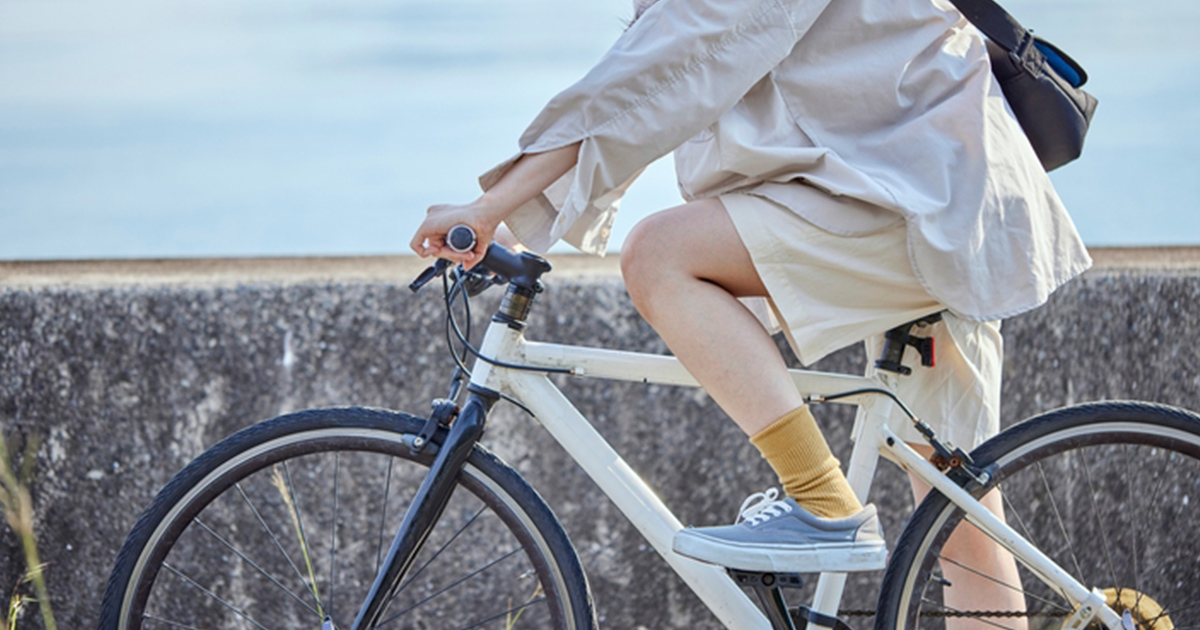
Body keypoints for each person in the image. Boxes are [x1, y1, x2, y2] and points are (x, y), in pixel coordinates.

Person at [411, 0, 1090, 622]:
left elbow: (666, 71)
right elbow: (663, 75)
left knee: (659, 255)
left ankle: (822, 502)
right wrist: (518, 223)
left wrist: (496, 206)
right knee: (961, 526)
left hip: (918, 196)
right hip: (938, 187)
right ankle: (824, 505)